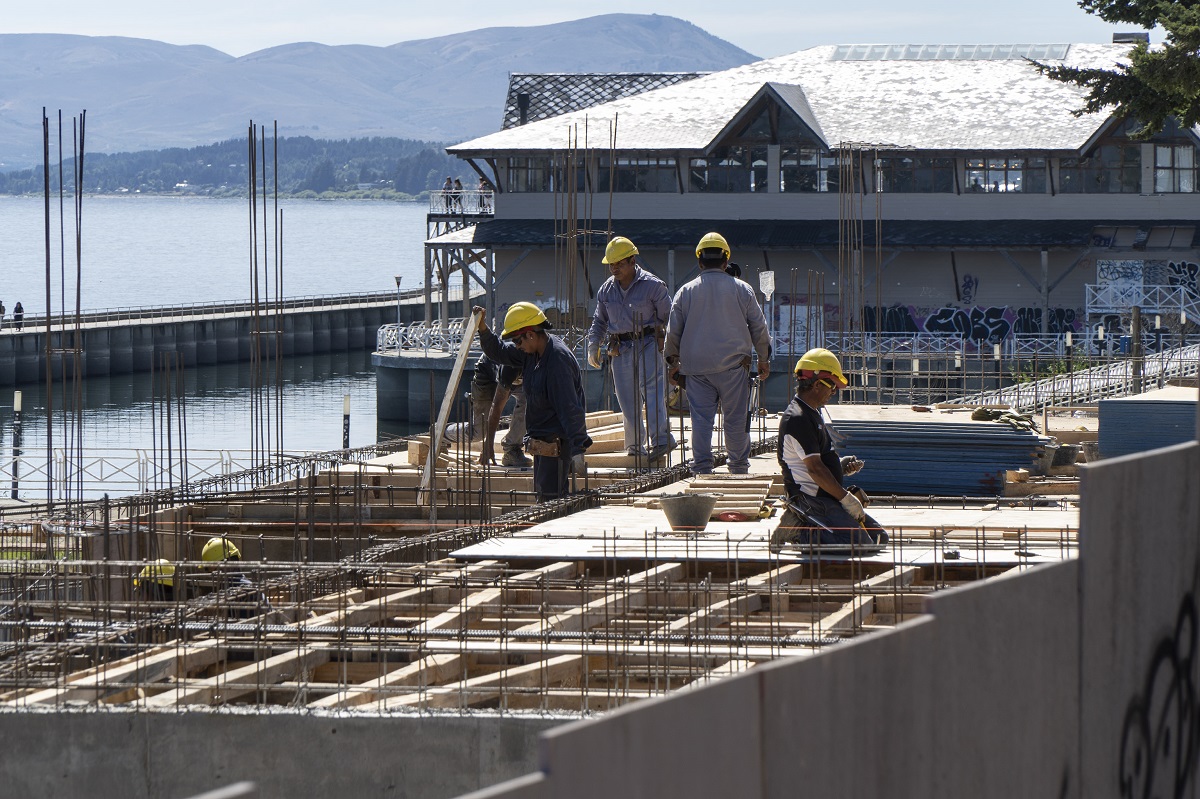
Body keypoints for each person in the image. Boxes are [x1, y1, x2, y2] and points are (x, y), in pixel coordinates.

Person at [663, 232, 770, 475]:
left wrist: (672, 362)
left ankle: (701, 470)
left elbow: (673, 332)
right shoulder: (743, 290)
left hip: (696, 369)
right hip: (734, 369)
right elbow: (758, 327)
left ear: (700, 262)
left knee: (701, 422)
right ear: (725, 261)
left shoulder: (685, 291)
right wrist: (763, 359)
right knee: (735, 421)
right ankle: (738, 469)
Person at [771, 348, 888, 551]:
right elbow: (814, 469)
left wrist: (839, 467)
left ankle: (810, 529)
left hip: (824, 495)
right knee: (859, 544)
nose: (834, 392)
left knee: (879, 538)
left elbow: (812, 459)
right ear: (817, 384)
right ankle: (797, 530)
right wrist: (846, 498)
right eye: (832, 387)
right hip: (810, 499)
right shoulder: (798, 418)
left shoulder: (811, 413)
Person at [475, 303, 591, 500]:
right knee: (545, 498)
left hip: (555, 443)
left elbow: (570, 408)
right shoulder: (532, 351)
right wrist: (483, 328)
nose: (517, 347)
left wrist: (579, 448)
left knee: (550, 501)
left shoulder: (557, 362)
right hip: (542, 442)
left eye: (518, 342)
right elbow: (500, 352)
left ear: (530, 334)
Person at [587, 236, 674, 461]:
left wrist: (672, 348)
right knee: (626, 397)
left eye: (619, 263)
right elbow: (599, 320)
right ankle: (636, 446)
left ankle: (661, 440)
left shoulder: (653, 286)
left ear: (632, 260)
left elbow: (670, 317)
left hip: (648, 343)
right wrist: (593, 345)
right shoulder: (606, 290)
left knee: (653, 392)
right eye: (611, 264)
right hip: (621, 347)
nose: (614, 268)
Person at [470, 352, 531, 467]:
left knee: (530, 400)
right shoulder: (512, 365)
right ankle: (442, 435)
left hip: (515, 377)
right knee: (479, 432)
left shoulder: (544, 363)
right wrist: (488, 445)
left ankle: (512, 449)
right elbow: (497, 407)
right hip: (487, 373)